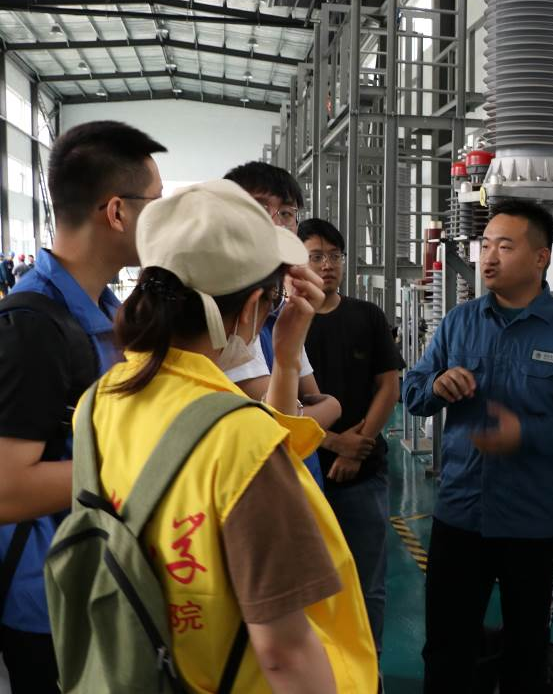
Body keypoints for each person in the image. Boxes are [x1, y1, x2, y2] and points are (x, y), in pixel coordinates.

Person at [89, 179, 377, 692]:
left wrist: (285, 357)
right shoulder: (238, 437)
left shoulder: (103, 398)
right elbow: (284, 653)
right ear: (249, 310)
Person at [404, 200, 553, 693]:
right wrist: (436, 385)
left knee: (526, 653)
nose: (488, 256)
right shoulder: (459, 323)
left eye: (505, 246)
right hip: (462, 513)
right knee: (446, 649)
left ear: (541, 258)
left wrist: (526, 434)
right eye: (485, 245)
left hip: (536, 520)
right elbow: (412, 391)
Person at [0, 120, 165, 691]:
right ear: (116, 212)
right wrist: (148, 465)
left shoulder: (105, 311)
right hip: (49, 606)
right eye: (156, 205)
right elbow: (8, 489)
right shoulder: (34, 326)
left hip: (97, 579)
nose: (163, 221)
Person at [299, 217, 404, 660]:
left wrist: (357, 446)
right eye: (316, 256)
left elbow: (388, 386)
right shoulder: (286, 323)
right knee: (309, 589)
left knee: (367, 584)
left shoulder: (367, 316)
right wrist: (332, 443)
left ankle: (369, 672)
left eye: (334, 256)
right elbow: (276, 403)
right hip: (304, 476)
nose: (327, 265)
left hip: (364, 473)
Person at [220, 162, 347, 487]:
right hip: (255, 487)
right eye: (260, 208)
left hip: (301, 480)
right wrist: (329, 408)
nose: (276, 223)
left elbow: (308, 397)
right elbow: (278, 424)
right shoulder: (229, 310)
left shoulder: (280, 309)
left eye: (287, 213)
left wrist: (311, 409)